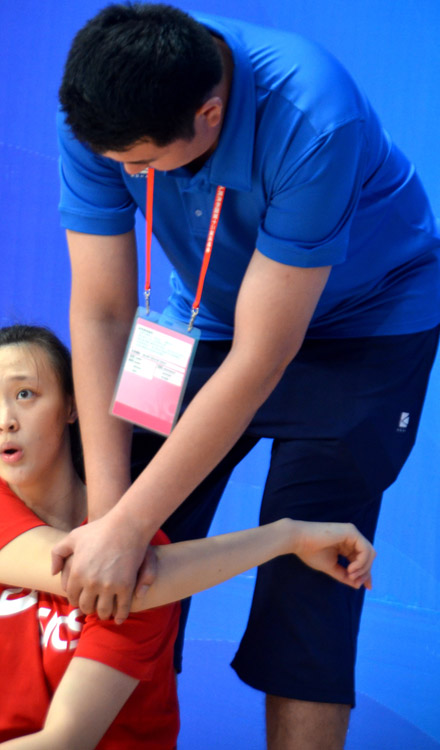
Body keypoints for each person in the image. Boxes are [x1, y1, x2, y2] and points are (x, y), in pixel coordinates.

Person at [54, 4, 440, 749]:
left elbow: (263, 355)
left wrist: (128, 525)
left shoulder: (314, 115)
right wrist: (114, 513)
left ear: (211, 112)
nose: (130, 177)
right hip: (199, 314)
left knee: (315, 572)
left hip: (363, 326)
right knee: (114, 541)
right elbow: (103, 313)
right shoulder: (100, 115)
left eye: (142, 162)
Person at [0, 324, 375, 750]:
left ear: (73, 406)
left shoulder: (142, 560)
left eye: (25, 394)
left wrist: (290, 535)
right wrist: (288, 536)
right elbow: (94, 572)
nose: (4, 421)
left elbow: (66, 739)